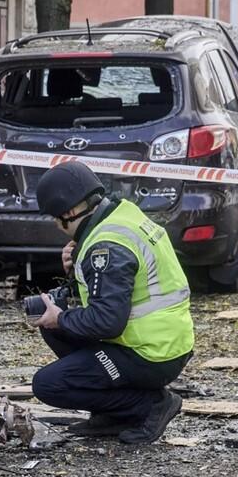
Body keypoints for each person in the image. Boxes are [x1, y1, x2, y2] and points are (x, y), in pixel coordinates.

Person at [29, 161, 194, 444]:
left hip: (151, 353)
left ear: (70, 212)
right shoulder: (122, 215)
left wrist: (61, 317)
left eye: (57, 219)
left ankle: (150, 406)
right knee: (55, 327)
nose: (58, 226)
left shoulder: (107, 247)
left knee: (47, 384)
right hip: (165, 339)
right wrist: (75, 270)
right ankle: (113, 413)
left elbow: (107, 321)